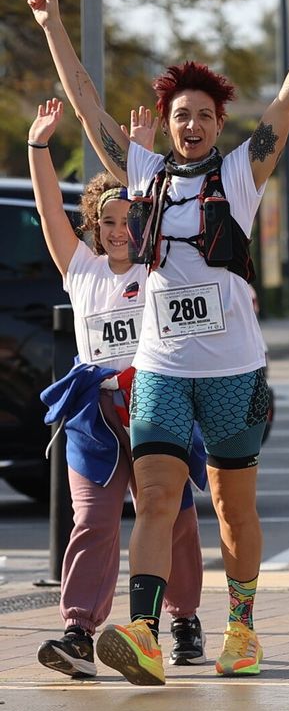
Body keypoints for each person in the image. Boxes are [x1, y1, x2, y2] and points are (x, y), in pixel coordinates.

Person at [30, 0, 289, 684]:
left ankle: (241, 627)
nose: (194, 125)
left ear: (217, 125)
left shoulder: (238, 177)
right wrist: (52, 25)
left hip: (233, 370)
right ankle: (142, 632)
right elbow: (85, 107)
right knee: (160, 497)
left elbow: (288, 104)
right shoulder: (144, 176)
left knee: (234, 510)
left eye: (205, 116)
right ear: (168, 126)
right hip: (163, 369)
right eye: (182, 117)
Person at [28, 101, 207, 678]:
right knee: (94, 520)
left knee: (174, 515)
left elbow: (152, 204)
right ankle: (78, 631)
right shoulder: (79, 267)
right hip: (94, 414)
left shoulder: (158, 264)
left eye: (129, 219)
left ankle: (181, 618)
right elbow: (49, 207)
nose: (120, 230)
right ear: (94, 227)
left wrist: (139, 156)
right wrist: (39, 148)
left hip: (158, 401)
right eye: (107, 222)